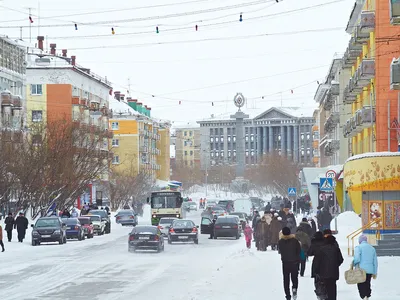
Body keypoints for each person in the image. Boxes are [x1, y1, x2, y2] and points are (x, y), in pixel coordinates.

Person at [314, 233, 344, 300]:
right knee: (333, 287)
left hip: (323, 273)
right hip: (334, 272)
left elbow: (317, 261)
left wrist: (317, 270)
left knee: (325, 288)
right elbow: (341, 259)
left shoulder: (321, 249)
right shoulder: (336, 249)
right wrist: (335, 265)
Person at [278, 227, 301, 300]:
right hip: (294, 262)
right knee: (294, 278)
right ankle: (294, 288)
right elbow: (299, 251)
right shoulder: (295, 241)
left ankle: (287, 295)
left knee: (286, 279)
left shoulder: (280, 241)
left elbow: (280, 251)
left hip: (285, 263)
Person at [353, 235, 378, 300]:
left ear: (360, 241)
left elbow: (357, 259)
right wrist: (374, 272)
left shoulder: (358, 247)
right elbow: (375, 261)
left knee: (361, 284)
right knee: (367, 283)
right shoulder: (372, 248)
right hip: (369, 270)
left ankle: (363, 296)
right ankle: (367, 295)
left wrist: (353, 264)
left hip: (361, 270)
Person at [308, 231, 326, 300]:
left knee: (317, 279)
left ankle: (319, 292)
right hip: (325, 262)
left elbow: (309, 253)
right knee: (325, 277)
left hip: (316, 262)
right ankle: (324, 292)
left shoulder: (314, 243)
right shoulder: (325, 242)